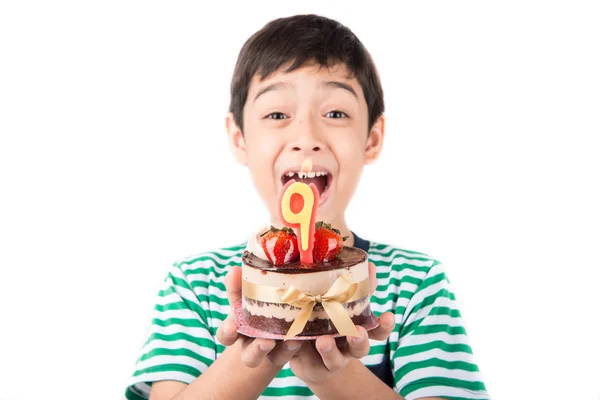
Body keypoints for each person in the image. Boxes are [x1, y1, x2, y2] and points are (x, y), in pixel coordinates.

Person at [124, 14, 489, 400]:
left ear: (372, 138)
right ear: (239, 138)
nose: (306, 137)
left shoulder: (416, 284)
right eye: (277, 114)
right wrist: (262, 344)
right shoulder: (194, 284)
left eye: (335, 114)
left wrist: (331, 373)